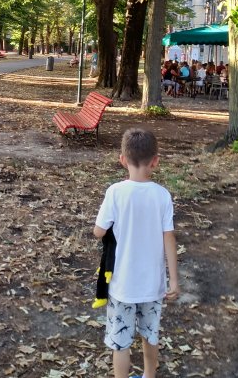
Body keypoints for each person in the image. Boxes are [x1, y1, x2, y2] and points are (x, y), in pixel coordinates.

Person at [93, 129, 179, 378]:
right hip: (153, 285)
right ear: (155, 161)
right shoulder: (162, 196)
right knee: (150, 334)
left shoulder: (116, 193)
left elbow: (99, 232)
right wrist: (173, 280)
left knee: (120, 342)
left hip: (122, 285)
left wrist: (101, 228)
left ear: (122, 159)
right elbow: (169, 239)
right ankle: (149, 375)